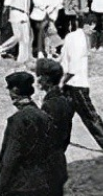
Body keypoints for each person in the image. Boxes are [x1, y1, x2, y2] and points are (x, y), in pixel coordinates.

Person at [0, 71, 55, 196]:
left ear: (15, 90)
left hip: (20, 187)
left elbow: (10, 157)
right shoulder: (43, 116)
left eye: (9, 89)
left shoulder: (17, 120)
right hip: (43, 183)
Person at [60, 12, 103, 150]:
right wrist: (62, 82)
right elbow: (73, 68)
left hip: (68, 84)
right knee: (92, 118)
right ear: (90, 24)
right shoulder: (81, 41)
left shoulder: (70, 36)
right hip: (77, 85)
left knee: (64, 118)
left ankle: (58, 146)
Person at [35, 59, 73, 196]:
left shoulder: (50, 105)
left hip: (49, 163)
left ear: (47, 80)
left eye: (40, 77)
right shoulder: (64, 100)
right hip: (59, 160)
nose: (38, 81)